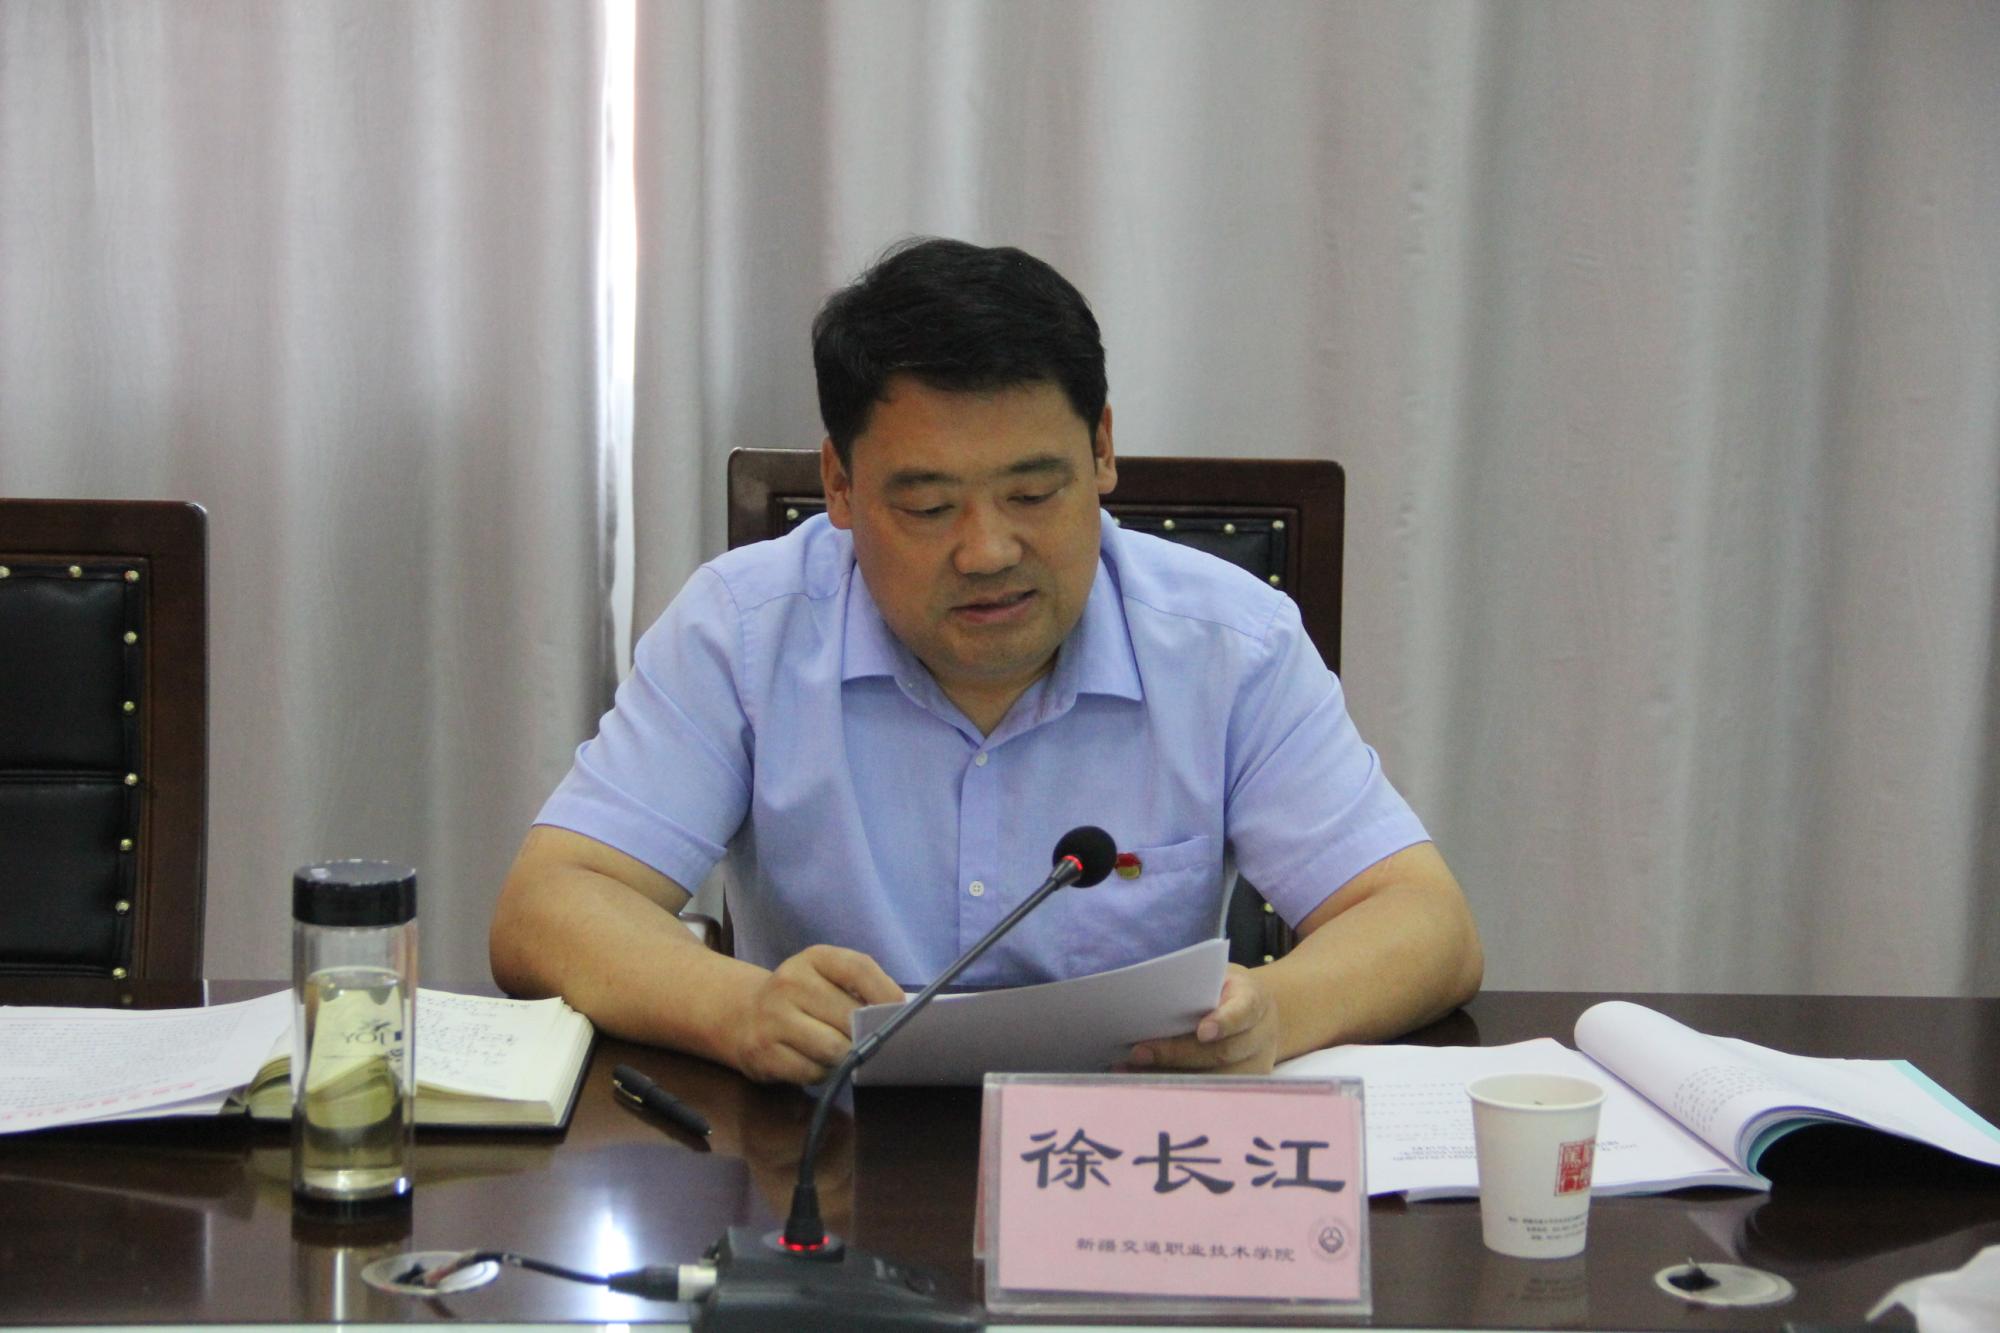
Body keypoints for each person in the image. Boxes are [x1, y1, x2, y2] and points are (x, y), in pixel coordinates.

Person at [490, 237, 1482, 1085]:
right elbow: (550, 904)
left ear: (1101, 451)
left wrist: (1275, 1011)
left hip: (1127, 1163)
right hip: (824, 1149)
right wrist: (737, 1007)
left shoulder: (1231, 645)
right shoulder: (744, 632)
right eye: (928, 506)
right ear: (840, 485)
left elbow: (1424, 922)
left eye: (1032, 494)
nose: (987, 551)